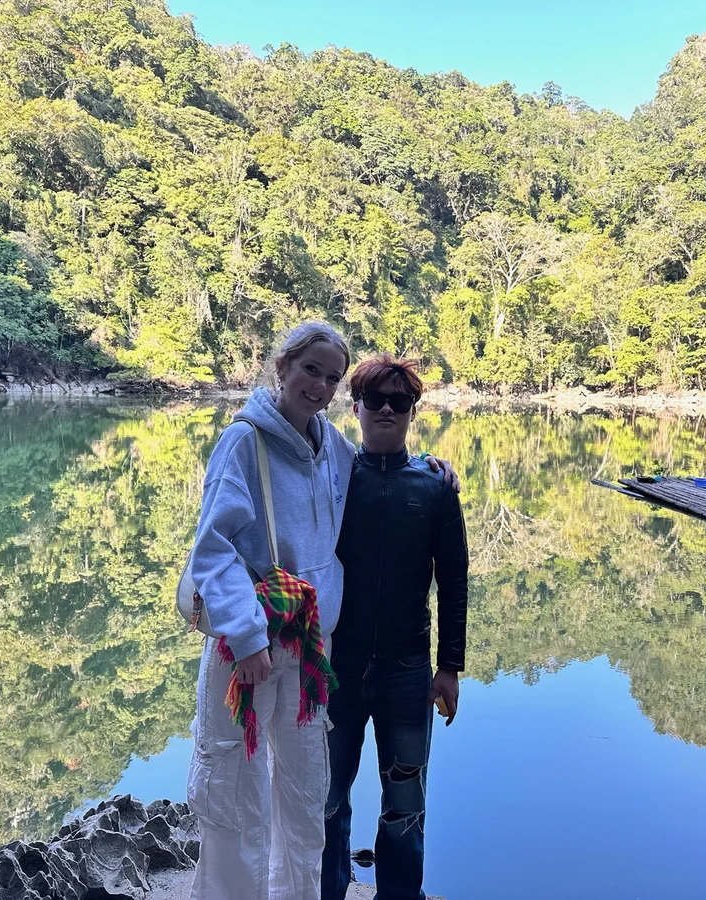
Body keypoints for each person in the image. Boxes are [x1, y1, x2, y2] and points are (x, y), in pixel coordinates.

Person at [186, 325, 457, 900]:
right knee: (237, 790)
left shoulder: (329, 447)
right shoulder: (243, 442)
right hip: (250, 652)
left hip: (313, 656)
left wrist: (433, 466)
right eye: (312, 369)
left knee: (306, 795)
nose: (320, 385)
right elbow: (212, 548)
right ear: (282, 366)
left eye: (332, 377)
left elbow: (381, 463)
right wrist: (247, 634)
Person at [322, 355, 469, 900]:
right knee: (328, 797)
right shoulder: (333, 480)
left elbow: (454, 581)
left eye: (399, 401)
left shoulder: (434, 488)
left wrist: (449, 667)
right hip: (337, 665)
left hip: (408, 670)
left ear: (412, 411)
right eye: (375, 400)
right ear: (354, 406)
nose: (387, 409)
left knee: (405, 801)